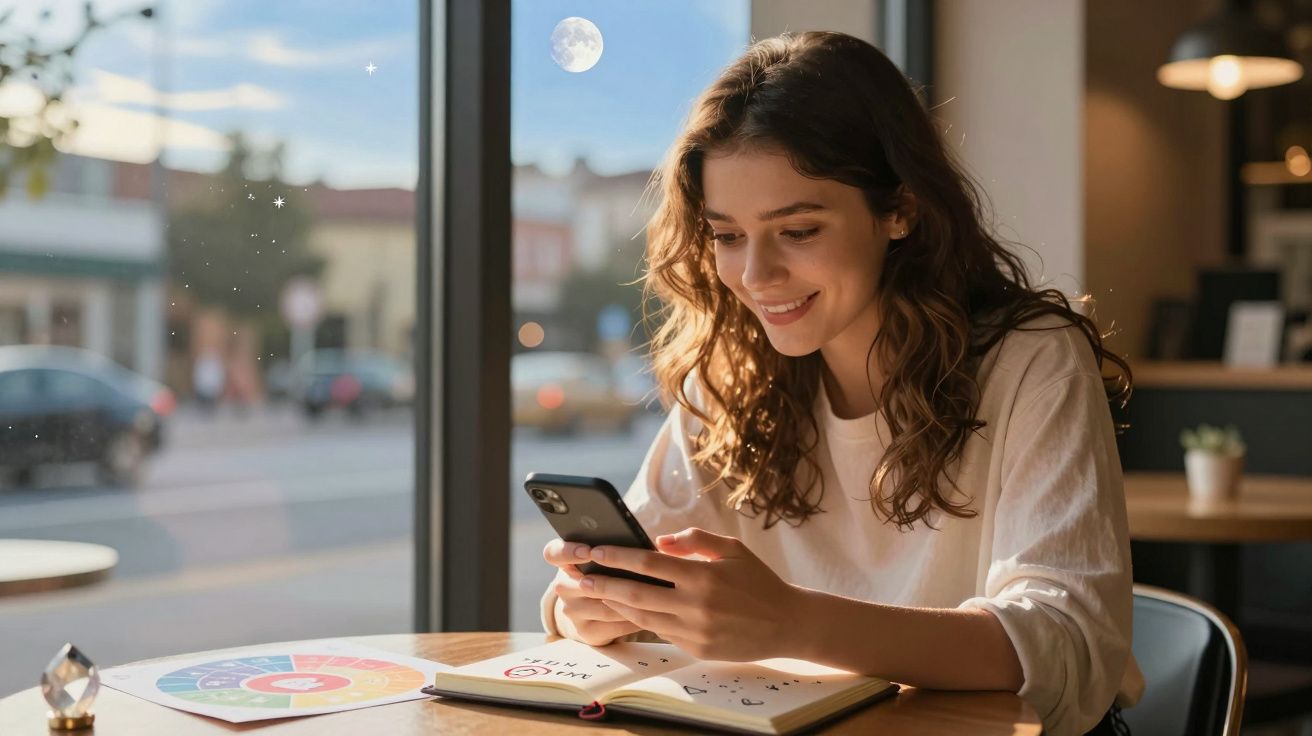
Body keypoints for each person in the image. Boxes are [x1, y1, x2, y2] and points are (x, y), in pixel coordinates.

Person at [540, 31, 1141, 736]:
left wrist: (794, 622)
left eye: (797, 230)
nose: (755, 277)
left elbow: (1066, 642)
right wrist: (580, 605)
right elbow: (632, 567)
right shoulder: (730, 378)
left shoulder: (1030, 361)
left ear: (900, 211)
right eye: (727, 235)